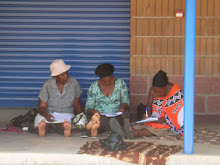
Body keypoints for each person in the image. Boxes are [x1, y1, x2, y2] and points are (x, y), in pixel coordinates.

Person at [34, 59, 83, 137]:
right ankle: (44, 128)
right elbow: (42, 106)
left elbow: (77, 104)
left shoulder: (74, 83)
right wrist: (46, 115)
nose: (66, 76)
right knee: (41, 121)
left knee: (65, 123)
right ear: (55, 76)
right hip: (48, 113)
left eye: (67, 73)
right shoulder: (47, 85)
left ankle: (63, 128)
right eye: (62, 74)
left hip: (67, 113)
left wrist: (82, 117)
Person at [85, 63, 130, 137]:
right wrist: (94, 111)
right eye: (105, 82)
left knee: (124, 116)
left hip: (116, 114)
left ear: (113, 76)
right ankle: (119, 130)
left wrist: (123, 107)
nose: (108, 83)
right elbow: (88, 107)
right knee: (100, 121)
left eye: (110, 80)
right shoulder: (94, 87)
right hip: (101, 116)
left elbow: (126, 101)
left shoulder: (120, 83)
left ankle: (116, 129)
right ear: (100, 79)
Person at [142, 70, 184, 136]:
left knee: (159, 130)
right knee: (145, 126)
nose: (157, 94)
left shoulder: (176, 93)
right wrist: (148, 116)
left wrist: (165, 119)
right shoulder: (152, 90)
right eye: (155, 91)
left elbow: (179, 115)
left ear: (166, 87)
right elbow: (149, 105)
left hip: (168, 123)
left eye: (159, 92)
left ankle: (136, 133)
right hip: (155, 121)